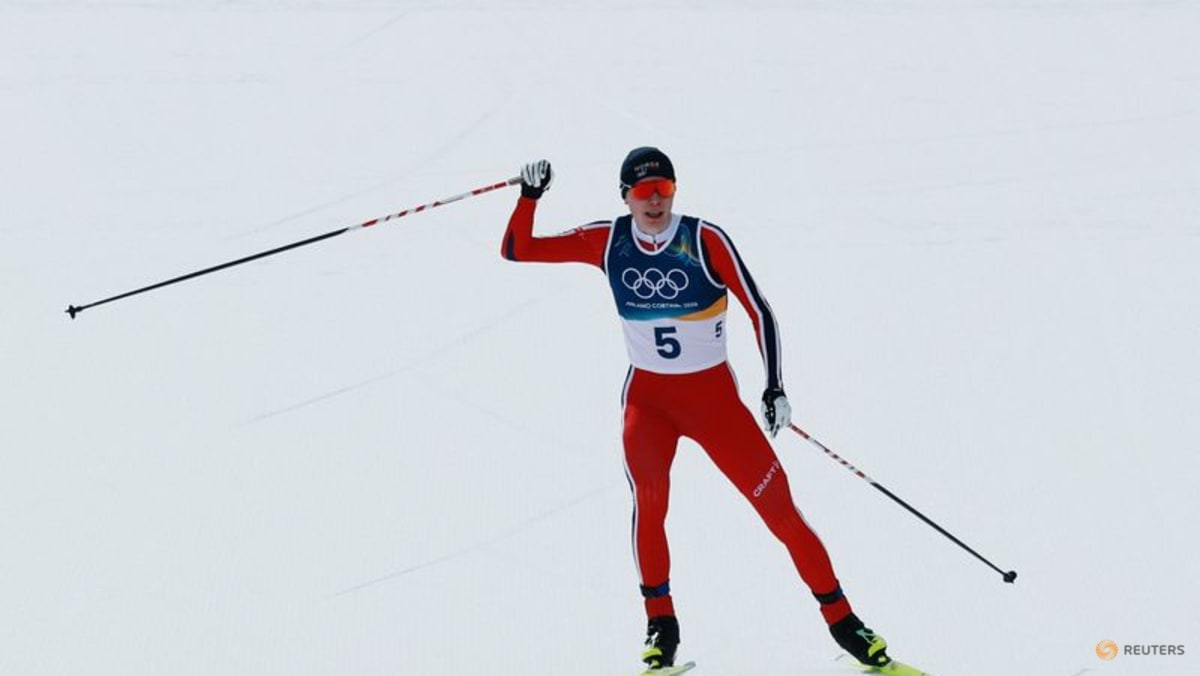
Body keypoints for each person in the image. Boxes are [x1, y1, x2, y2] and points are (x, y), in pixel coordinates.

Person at [501, 148, 891, 673]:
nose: (655, 200)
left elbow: (759, 309)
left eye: (664, 188)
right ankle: (661, 627)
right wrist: (530, 197)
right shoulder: (608, 240)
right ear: (626, 197)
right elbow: (517, 249)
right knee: (650, 504)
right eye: (643, 193)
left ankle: (846, 625)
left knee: (780, 512)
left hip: (715, 408)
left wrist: (775, 386)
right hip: (649, 404)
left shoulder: (704, 240)